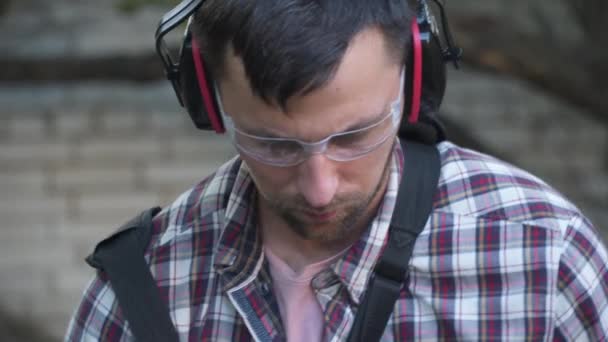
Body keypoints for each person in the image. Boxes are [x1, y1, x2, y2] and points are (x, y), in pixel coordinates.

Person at [65, 0, 608, 341]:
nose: (319, 188)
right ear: (209, 104)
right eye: (273, 144)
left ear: (412, 84)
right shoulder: (141, 284)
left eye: (354, 135)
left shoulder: (543, 253)